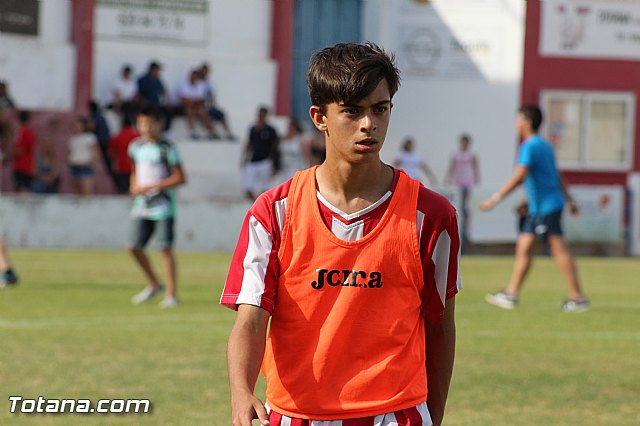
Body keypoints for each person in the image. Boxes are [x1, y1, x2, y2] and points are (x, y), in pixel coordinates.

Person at [222, 42, 460, 426]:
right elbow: (250, 320)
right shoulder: (274, 212)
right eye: (352, 111)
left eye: (379, 109)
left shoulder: (430, 215)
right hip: (294, 416)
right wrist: (240, 392)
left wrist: (432, 416)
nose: (369, 124)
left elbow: (440, 324)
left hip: (394, 416)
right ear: (320, 117)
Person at [480, 105, 589, 312]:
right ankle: (511, 294)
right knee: (524, 247)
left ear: (527, 122)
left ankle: (577, 297)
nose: (515, 123)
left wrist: (495, 199)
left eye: (518, 119)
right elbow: (555, 176)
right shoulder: (545, 145)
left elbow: (520, 176)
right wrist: (569, 200)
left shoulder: (529, 146)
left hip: (546, 207)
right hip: (540, 207)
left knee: (558, 249)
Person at [128, 106, 186, 308]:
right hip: (142, 205)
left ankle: (171, 294)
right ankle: (154, 283)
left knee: (165, 248)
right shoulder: (135, 147)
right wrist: (134, 185)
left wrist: (153, 186)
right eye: (142, 123)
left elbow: (180, 177)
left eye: (150, 123)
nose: (146, 127)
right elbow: (134, 171)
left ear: (159, 124)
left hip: (163, 206)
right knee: (134, 246)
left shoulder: (167, 148)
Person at [445, 133, 480, 245]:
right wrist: (448, 179)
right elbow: (452, 167)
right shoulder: (456, 154)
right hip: (458, 183)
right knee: (458, 207)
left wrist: (476, 179)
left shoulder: (472, 155)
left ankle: (466, 232)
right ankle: (458, 230)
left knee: (465, 208)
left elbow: (475, 168)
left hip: (467, 182)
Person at [241, 106, 279, 200]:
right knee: (248, 187)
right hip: (253, 160)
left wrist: (274, 162)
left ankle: (262, 205)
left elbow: (274, 147)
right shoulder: (253, 129)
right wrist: (244, 158)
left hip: (265, 161)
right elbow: (249, 144)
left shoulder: (271, 130)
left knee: (265, 188)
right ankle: (255, 204)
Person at [176, 68, 218, 140]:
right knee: (189, 110)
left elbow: (201, 100)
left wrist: (192, 101)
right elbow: (183, 100)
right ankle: (192, 131)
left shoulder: (200, 85)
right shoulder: (183, 84)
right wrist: (193, 102)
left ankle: (209, 131)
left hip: (195, 106)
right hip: (183, 107)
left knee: (202, 111)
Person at [199, 63, 236, 139]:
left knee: (222, 114)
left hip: (209, 106)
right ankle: (212, 132)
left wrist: (213, 105)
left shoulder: (210, 83)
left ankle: (228, 133)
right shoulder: (198, 83)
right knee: (205, 113)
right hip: (201, 107)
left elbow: (213, 96)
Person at [136, 61, 173, 131]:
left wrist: (168, 101)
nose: (158, 72)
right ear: (152, 70)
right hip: (146, 106)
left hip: (156, 105)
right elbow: (138, 94)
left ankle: (166, 131)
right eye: (157, 70)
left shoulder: (157, 80)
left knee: (169, 111)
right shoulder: (143, 80)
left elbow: (164, 91)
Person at [68, 117, 99, 196]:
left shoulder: (90, 137)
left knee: (87, 191)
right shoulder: (73, 138)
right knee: (77, 192)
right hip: (75, 165)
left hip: (85, 166)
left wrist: (89, 162)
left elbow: (95, 152)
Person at [108, 115, 139, 194]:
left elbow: (111, 153)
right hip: (135, 167)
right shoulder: (137, 136)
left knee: (123, 190)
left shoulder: (117, 137)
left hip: (121, 167)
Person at [276, 117, 309, 182]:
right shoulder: (284, 138)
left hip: (296, 167)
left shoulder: (300, 139)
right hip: (283, 167)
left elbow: (306, 155)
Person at [11, 110, 37, 193]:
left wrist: (13, 153)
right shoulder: (31, 132)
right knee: (26, 189)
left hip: (21, 166)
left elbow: (22, 149)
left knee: (22, 189)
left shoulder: (22, 132)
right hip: (27, 166)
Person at [88, 100, 113, 183]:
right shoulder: (101, 117)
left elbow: (91, 127)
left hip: (101, 141)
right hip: (107, 140)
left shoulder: (93, 117)